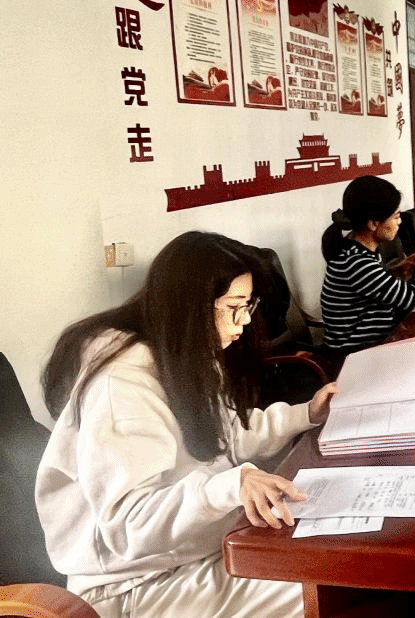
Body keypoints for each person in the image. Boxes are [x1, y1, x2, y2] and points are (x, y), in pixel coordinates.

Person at [36, 231, 337, 618]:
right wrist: (228, 487)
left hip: (191, 551)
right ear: (192, 308)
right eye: (234, 307)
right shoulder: (120, 385)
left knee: (320, 563)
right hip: (133, 585)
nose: (245, 321)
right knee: (319, 588)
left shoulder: (183, 354)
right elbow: (129, 524)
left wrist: (307, 413)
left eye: (248, 306)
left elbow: (228, 435)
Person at [320, 176, 415, 354]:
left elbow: (376, 287)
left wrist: (402, 268)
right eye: (396, 217)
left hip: (376, 343)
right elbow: (413, 300)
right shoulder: (356, 262)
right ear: (374, 224)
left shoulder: (357, 251)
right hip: (355, 355)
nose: (399, 222)